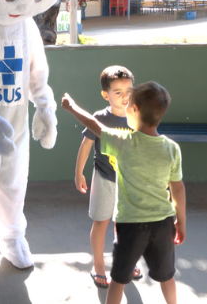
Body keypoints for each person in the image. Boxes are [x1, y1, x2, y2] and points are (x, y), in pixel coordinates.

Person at [62, 81, 186, 304]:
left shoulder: (123, 143)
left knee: (119, 279)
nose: (125, 106)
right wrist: (181, 221)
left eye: (128, 104)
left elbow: (93, 124)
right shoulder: (171, 148)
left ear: (135, 110)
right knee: (167, 276)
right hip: (163, 223)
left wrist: (71, 107)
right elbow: (178, 187)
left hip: (131, 226)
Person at [74, 66, 143, 288]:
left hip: (129, 182)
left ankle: (127, 261)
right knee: (102, 222)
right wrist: (78, 173)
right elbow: (85, 146)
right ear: (106, 95)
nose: (125, 97)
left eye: (128, 91)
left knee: (126, 225)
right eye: (118, 92)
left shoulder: (137, 116)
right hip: (104, 178)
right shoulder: (99, 118)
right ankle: (99, 265)